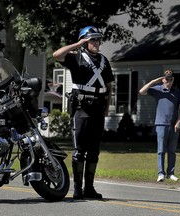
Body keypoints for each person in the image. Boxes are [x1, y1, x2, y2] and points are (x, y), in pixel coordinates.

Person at [53, 26, 114, 199]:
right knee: (79, 150)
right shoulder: (76, 58)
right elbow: (56, 55)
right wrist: (78, 43)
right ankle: (78, 189)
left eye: (97, 39)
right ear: (84, 41)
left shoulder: (103, 61)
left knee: (94, 151)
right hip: (81, 108)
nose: (96, 42)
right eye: (92, 39)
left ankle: (90, 188)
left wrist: (107, 108)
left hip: (97, 109)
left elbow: (109, 87)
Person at [139, 70, 180, 182]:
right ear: (163, 79)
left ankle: (171, 173)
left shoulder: (177, 92)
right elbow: (142, 91)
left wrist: (179, 121)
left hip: (173, 124)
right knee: (161, 150)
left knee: (172, 150)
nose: (168, 81)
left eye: (170, 79)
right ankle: (161, 173)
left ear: (173, 79)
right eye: (166, 79)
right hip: (161, 123)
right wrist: (155, 81)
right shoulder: (158, 89)